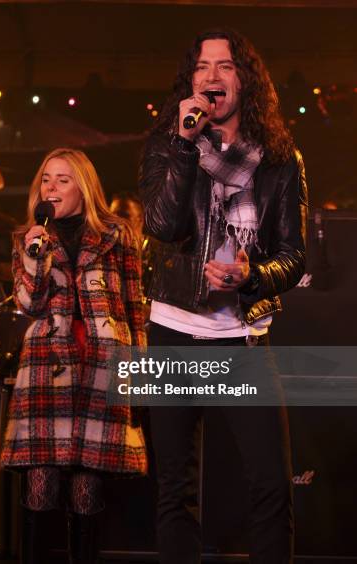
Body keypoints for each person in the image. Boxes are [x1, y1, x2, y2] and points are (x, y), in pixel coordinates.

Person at [138, 29, 307, 564]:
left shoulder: (280, 159)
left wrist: (251, 276)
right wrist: (185, 146)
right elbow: (162, 227)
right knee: (174, 491)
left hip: (241, 337)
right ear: (190, 82)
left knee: (271, 485)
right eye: (202, 67)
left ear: (245, 80)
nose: (213, 76)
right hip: (171, 330)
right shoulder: (168, 145)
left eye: (226, 66)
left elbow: (294, 256)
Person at [1, 148, 147, 564]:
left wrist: (139, 372)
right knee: (41, 482)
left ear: (83, 188)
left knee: (88, 489)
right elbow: (29, 303)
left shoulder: (118, 235)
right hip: (48, 369)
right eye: (46, 179)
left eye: (62, 180)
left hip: (103, 367)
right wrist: (35, 255)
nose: (51, 187)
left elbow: (134, 307)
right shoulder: (27, 239)